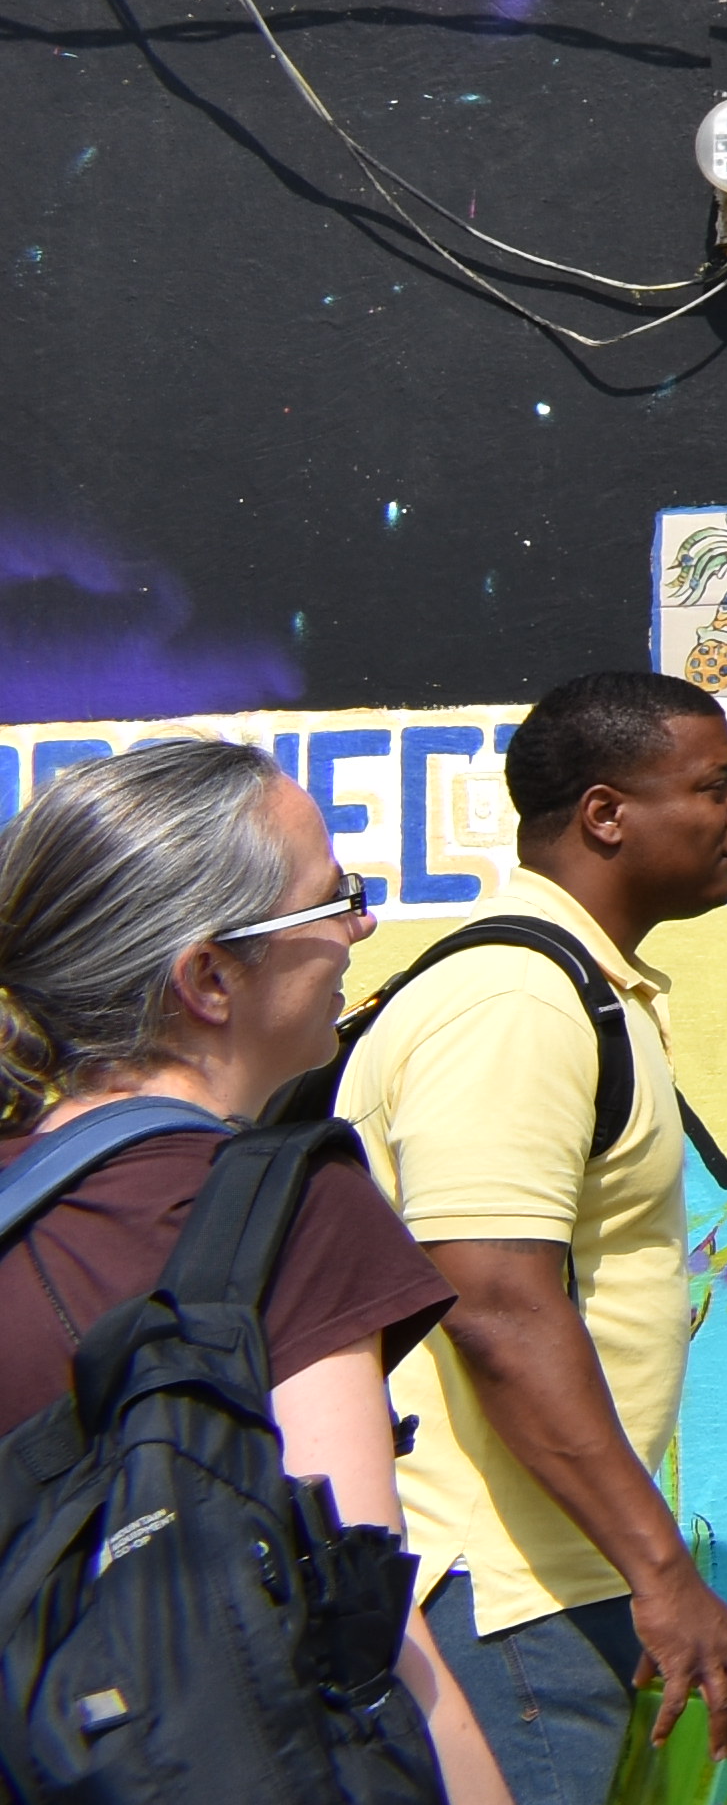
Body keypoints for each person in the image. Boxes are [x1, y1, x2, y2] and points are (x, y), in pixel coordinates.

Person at [0, 740, 509, 1805]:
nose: (361, 928)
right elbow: (360, 1624)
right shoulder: (290, 1209)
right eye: (333, 901)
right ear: (208, 978)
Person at [339, 676, 727, 1805]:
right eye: (711, 786)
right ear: (606, 814)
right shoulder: (516, 1003)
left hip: (545, 1580)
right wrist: (661, 1570)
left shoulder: (577, 987)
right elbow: (494, 1307)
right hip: (504, 1593)